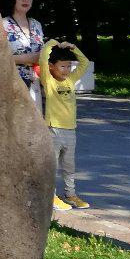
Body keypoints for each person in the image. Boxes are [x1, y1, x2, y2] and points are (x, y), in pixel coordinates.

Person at [39, 40, 91, 211]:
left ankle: (70, 195)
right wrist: (49, 46)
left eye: (69, 66)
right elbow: (42, 61)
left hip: (71, 130)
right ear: (52, 67)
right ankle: (51, 196)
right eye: (62, 66)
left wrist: (73, 48)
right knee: (52, 166)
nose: (67, 70)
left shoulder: (71, 80)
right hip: (54, 129)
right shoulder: (49, 82)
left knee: (69, 166)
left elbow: (84, 63)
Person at [1, 0, 45, 108]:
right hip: (12, 86)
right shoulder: (3, 24)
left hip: (36, 87)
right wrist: (27, 58)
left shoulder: (37, 25)